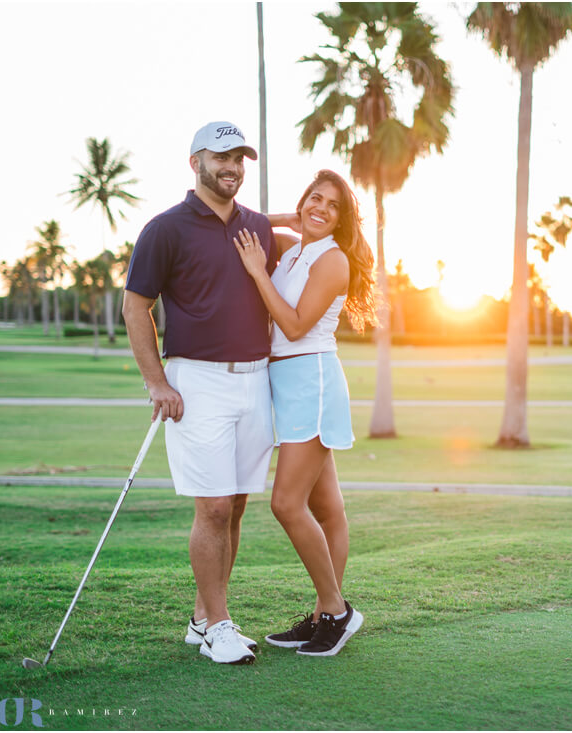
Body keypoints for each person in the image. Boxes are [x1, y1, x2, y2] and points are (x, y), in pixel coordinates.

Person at [122, 121, 278, 665]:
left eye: (239, 158)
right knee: (211, 507)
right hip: (197, 382)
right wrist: (156, 381)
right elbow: (135, 306)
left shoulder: (258, 227)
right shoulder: (164, 229)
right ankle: (218, 625)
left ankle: (200, 619)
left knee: (233, 507)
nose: (232, 166)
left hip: (255, 381)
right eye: (221, 157)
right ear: (195, 162)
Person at [232, 169, 375, 657]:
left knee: (286, 504)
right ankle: (321, 615)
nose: (321, 209)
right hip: (288, 385)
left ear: (343, 219)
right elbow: (244, 222)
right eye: (315, 198)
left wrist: (256, 271)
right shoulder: (294, 247)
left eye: (333, 205)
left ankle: (336, 612)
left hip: (311, 382)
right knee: (327, 509)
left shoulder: (333, 260)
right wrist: (297, 215)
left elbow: (292, 326)